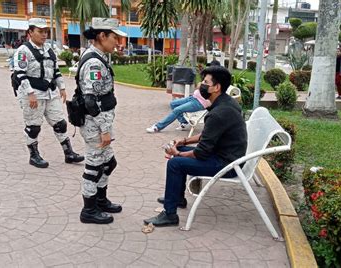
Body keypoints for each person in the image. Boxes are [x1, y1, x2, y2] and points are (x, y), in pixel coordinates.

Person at [144, 66, 248, 227]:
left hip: (227, 164)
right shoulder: (226, 103)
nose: (201, 85)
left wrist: (177, 153)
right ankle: (177, 198)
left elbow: (201, 152)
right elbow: (209, 135)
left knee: (175, 163)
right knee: (181, 155)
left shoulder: (219, 113)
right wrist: (184, 142)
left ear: (217, 87)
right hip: (229, 156)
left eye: (206, 82)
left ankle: (170, 215)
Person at [12, 18, 84, 168]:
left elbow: (56, 71)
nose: (44, 34)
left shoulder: (48, 50)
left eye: (46, 32)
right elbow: (20, 74)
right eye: (40, 31)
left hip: (50, 93)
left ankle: (69, 153)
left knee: (60, 123)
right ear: (30, 32)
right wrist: (30, 93)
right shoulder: (23, 51)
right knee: (34, 127)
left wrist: (62, 87)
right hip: (33, 94)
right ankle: (34, 155)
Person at [77, 18, 127, 224]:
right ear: (102, 36)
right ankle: (88, 210)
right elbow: (90, 101)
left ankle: (100, 199)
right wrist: (105, 129)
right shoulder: (94, 62)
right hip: (95, 125)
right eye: (114, 37)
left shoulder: (99, 56)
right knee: (94, 166)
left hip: (100, 123)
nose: (117, 41)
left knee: (109, 163)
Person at [146, 61, 221, 133]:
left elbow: (201, 87)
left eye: (210, 67)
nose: (208, 69)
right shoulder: (209, 78)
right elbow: (198, 86)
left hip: (199, 103)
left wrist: (201, 85)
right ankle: (183, 122)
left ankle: (157, 127)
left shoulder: (216, 82)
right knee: (173, 104)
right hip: (193, 98)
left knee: (177, 110)